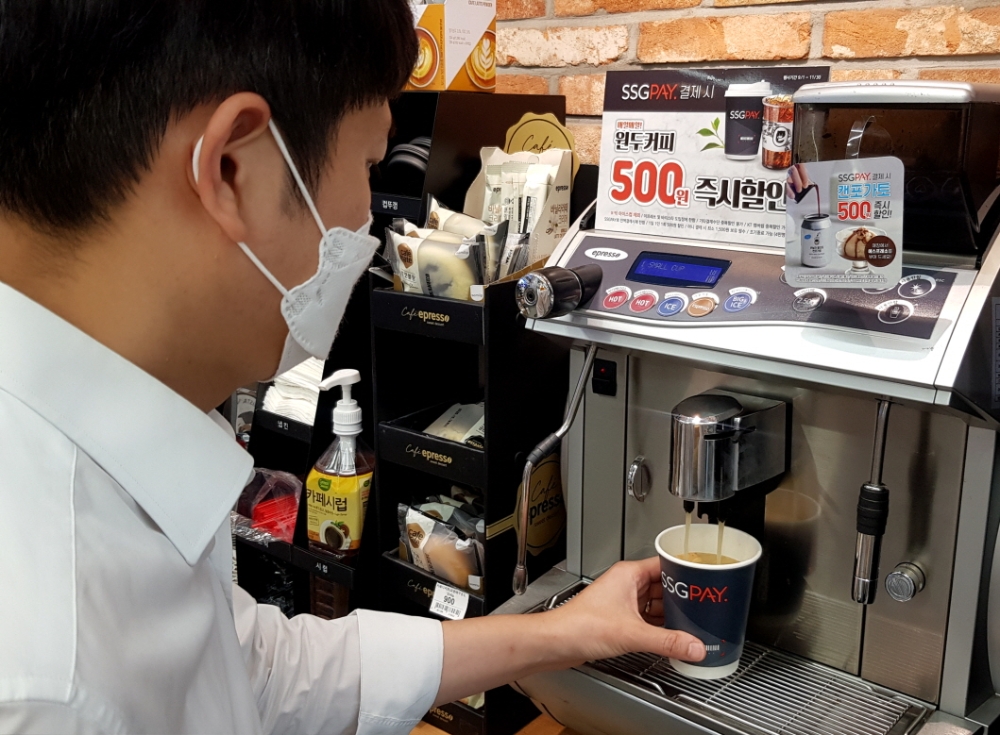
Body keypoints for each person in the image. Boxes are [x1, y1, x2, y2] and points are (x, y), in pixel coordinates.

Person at [0, 2, 705, 733]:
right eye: (370, 163)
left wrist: (563, 631)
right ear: (234, 168)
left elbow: (256, 670)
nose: (371, 216)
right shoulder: (49, 681)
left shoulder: (93, 458)